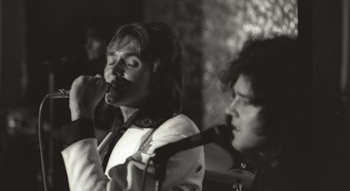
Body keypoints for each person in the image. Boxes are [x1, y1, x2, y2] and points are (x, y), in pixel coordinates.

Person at [60, 22, 205, 191]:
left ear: (159, 77)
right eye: (111, 61)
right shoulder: (120, 130)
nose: (113, 71)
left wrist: (82, 115)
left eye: (130, 63)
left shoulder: (179, 131)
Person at [220, 36, 302, 191]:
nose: (230, 110)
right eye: (234, 97)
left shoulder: (290, 181)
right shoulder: (268, 172)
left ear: (278, 109)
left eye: (245, 101)